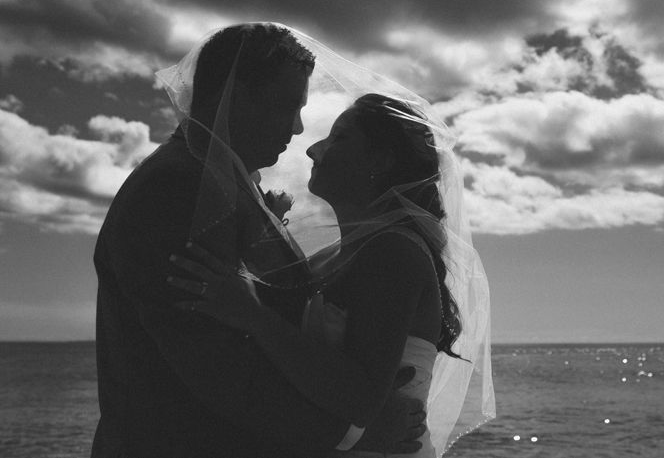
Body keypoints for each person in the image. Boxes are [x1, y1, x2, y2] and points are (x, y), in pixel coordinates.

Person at [92, 24, 426, 458]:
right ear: (232, 96)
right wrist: (354, 434)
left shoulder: (216, 180)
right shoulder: (180, 187)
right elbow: (213, 365)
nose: (298, 126)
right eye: (286, 105)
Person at [163, 25, 495, 457]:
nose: (312, 149)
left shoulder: (395, 251)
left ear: (379, 160)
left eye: (338, 138)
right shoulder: (334, 257)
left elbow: (361, 397)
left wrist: (252, 315)